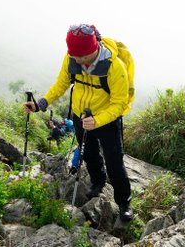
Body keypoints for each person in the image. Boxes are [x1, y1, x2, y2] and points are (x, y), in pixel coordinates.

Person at [23, 24, 133, 221]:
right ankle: (97, 183)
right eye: (76, 57)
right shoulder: (71, 58)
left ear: (95, 47)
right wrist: (40, 104)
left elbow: (119, 103)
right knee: (89, 154)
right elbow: (61, 84)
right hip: (80, 116)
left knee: (114, 161)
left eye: (84, 56)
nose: (80, 61)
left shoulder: (115, 67)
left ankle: (124, 201)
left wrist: (98, 120)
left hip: (107, 119)